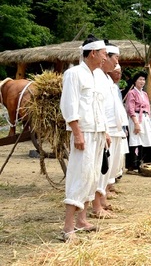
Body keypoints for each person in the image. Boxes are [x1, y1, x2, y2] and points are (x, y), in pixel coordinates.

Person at [59, 35, 109, 242]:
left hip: (97, 132)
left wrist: (104, 131)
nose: (106, 58)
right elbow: (69, 105)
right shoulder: (74, 74)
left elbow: (99, 107)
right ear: (93, 53)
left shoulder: (97, 76)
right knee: (80, 174)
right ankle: (67, 228)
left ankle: (82, 220)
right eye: (104, 54)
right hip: (84, 132)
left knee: (92, 175)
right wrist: (77, 133)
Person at [91, 42, 122, 220]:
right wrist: (105, 130)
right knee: (100, 168)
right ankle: (96, 206)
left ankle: (101, 201)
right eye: (115, 57)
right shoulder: (96, 76)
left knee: (106, 168)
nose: (117, 62)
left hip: (110, 128)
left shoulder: (107, 79)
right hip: (102, 129)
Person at [124, 72, 151, 173]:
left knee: (148, 140)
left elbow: (148, 108)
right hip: (136, 118)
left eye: (143, 79)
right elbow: (130, 109)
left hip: (145, 118)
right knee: (135, 141)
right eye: (140, 79)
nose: (142, 81)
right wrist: (136, 123)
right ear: (135, 81)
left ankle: (147, 164)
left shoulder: (145, 94)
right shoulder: (131, 93)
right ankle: (132, 166)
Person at [106, 64, 128, 195]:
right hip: (109, 128)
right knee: (109, 158)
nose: (119, 75)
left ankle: (111, 185)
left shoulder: (116, 88)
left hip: (118, 127)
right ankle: (105, 189)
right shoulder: (106, 85)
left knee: (117, 158)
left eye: (120, 73)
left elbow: (119, 109)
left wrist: (123, 127)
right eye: (116, 72)